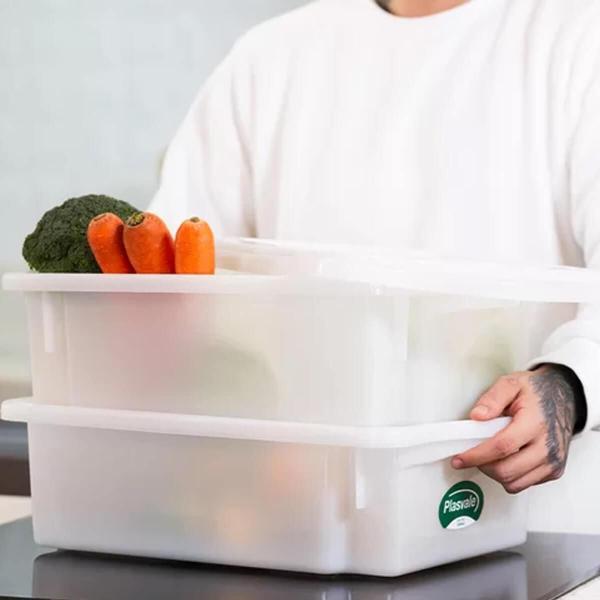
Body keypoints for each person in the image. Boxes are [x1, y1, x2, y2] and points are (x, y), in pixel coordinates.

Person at [151, 0, 600, 493]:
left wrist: (571, 381)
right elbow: (173, 285)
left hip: (528, 515)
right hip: (294, 504)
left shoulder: (578, 36)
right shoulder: (266, 59)